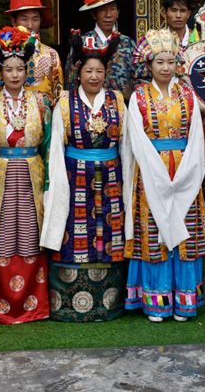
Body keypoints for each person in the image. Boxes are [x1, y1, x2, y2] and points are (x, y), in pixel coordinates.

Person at [121, 29, 205, 323]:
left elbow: (196, 138)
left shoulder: (188, 94)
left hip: (184, 169)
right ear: (148, 65)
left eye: (170, 61)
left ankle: (184, 299)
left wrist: (189, 171)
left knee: (183, 231)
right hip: (151, 170)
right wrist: (156, 173)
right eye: (159, 61)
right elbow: (135, 140)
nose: (165, 67)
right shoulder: (138, 95)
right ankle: (156, 299)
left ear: (178, 64)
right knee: (154, 233)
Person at [40, 29, 128, 322]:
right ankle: (66, 304)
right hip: (73, 175)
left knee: (109, 232)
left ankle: (109, 303)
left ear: (106, 73)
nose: (94, 76)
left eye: (99, 71)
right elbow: (55, 146)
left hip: (111, 176)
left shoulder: (117, 100)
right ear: (78, 73)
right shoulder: (64, 102)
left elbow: (125, 146)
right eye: (88, 70)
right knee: (73, 232)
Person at [0, 26, 52, 324]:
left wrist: (47, 182)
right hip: (0, 173)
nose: (15, 74)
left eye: (20, 68)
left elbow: (46, 145)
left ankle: (34, 305)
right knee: (1, 235)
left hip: (32, 172)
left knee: (31, 235)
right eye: (9, 69)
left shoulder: (42, 103)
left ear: (27, 70)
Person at [0, 0, 64, 108]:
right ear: (13, 21)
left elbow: (59, 99)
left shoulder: (51, 55)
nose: (30, 25)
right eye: (24, 19)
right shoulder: (0, 53)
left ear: (41, 20)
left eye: (35, 19)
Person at [64, 0, 137, 100]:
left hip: (122, 108)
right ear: (93, 14)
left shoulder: (128, 44)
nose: (108, 15)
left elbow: (139, 80)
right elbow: (71, 80)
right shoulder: (81, 43)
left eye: (112, 9)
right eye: (103, 10)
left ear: (118, 13)